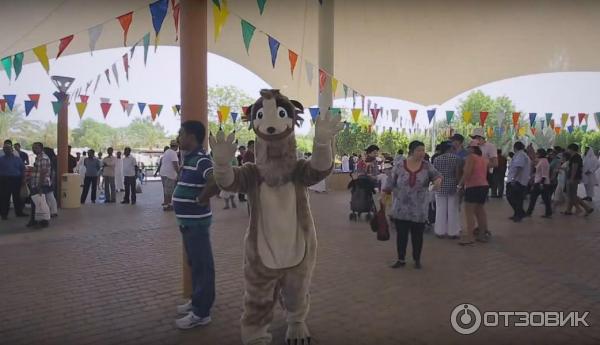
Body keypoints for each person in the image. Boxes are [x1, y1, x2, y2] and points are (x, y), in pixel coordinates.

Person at [173, 120, 219, 329]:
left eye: (181, 133)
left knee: (203, 266)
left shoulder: (201, 160)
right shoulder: (189, 158)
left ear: (191, 137)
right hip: (187, 223)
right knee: (195, 264)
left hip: (197, 223)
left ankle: (202, 313)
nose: (178, 137)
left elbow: (215, 181)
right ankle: (196, 300)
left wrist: (200, 199)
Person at [383, 140, 442, 269]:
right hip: (401, 207)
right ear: (411, 151)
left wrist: (437, 182)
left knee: (417, 236)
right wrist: (384, 198)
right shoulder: (399, 165)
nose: (422, 153)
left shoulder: (427, 166)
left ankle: (417, 259)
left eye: (423, 150)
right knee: (401, 235)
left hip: (419, 209)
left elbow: (437, 176)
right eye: (419, 150)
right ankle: (401, 259)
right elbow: (390, 183)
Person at [458, 142, 490, 244]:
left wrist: (460, 185)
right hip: (483, 186)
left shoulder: (471, 157)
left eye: (468, 147)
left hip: (473, 186)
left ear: (472, 148)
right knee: (480, 211)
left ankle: (470, 237)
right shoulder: (483, 159)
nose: (467, 149)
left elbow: (467, 172)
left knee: (469, 212)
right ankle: (482, 235)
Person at [432, 141, 462, 239]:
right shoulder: (456, 158)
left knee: (440, 209)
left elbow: (434, 174)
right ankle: (453, 232)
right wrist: (459, 185)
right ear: (450, 148)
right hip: (452, 185)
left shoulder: (436, 159)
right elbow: (457, 174)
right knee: (453, 209)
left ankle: (440, 231)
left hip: (440, 185)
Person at [563, 144, 593, 216]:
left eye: (568, 149)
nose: (567, 150)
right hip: (573, 177)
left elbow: (574, 168)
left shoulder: (576, 157)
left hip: (573, 178)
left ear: (572, 149)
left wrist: (571, 178)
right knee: (571, 194)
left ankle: (587, 208)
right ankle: (568, 210)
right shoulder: (573, 157)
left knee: (572, 195)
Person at [0, 141, 27, 219]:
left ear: (12, 150)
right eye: (5, 149)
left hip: (16, 179)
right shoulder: (1, 159)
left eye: (8, 148)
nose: (6, 150)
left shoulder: (17, 159)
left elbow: (23, 169)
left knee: (17, 197)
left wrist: (24, 179)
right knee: (4, 197)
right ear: (3, 150)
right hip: (4, 180)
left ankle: (19, 212)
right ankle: (4, 214)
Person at [28, 142, 52, 228]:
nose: (34, 149)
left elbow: (43, 172)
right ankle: (35, 220)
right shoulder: (38, 157)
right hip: (36, 183)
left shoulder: (43, 158)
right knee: (36, 203)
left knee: (41, 203)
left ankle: (43, 221)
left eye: (36, 148)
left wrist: (40, 186)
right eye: (33, 148)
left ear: (41, 148)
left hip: (41, 184)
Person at [506, 141, 531, 222]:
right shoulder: (522, 155)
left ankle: (519, 214)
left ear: (515, 147)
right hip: (519, 180)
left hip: (517, 181)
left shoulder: (521, 155)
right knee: (516, 198)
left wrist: (514, 178)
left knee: (512, 197)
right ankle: (518, 213)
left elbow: (519, 167)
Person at [526, 149, 553, 218]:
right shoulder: (541, 160)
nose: (536, 154)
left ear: (541, 154)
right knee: (543, 199)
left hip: (541, 183)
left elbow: (544, 174)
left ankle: (529, 212)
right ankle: (548, 212)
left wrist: (541, 184)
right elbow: (533, 160)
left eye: (537, 153)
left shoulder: (544, 162)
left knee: (535, 198)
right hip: (540, 182)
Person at [159, 140, 180, 211]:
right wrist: (179, 173)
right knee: (169, 191)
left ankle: (166, 204)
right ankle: (167, 205)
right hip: (169, 174)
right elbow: (175, 165)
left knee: (166, 190)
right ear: (176, 146)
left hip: (163, 173)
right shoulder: (173, 153)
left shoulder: (167, 151)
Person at [42, 147, 58, 217]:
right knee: (50, 195)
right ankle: (53, 211)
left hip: (48, 179)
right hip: (50, 179)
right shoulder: (53, 159)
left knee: (49, 195)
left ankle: (52, 211)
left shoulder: (47, 159)